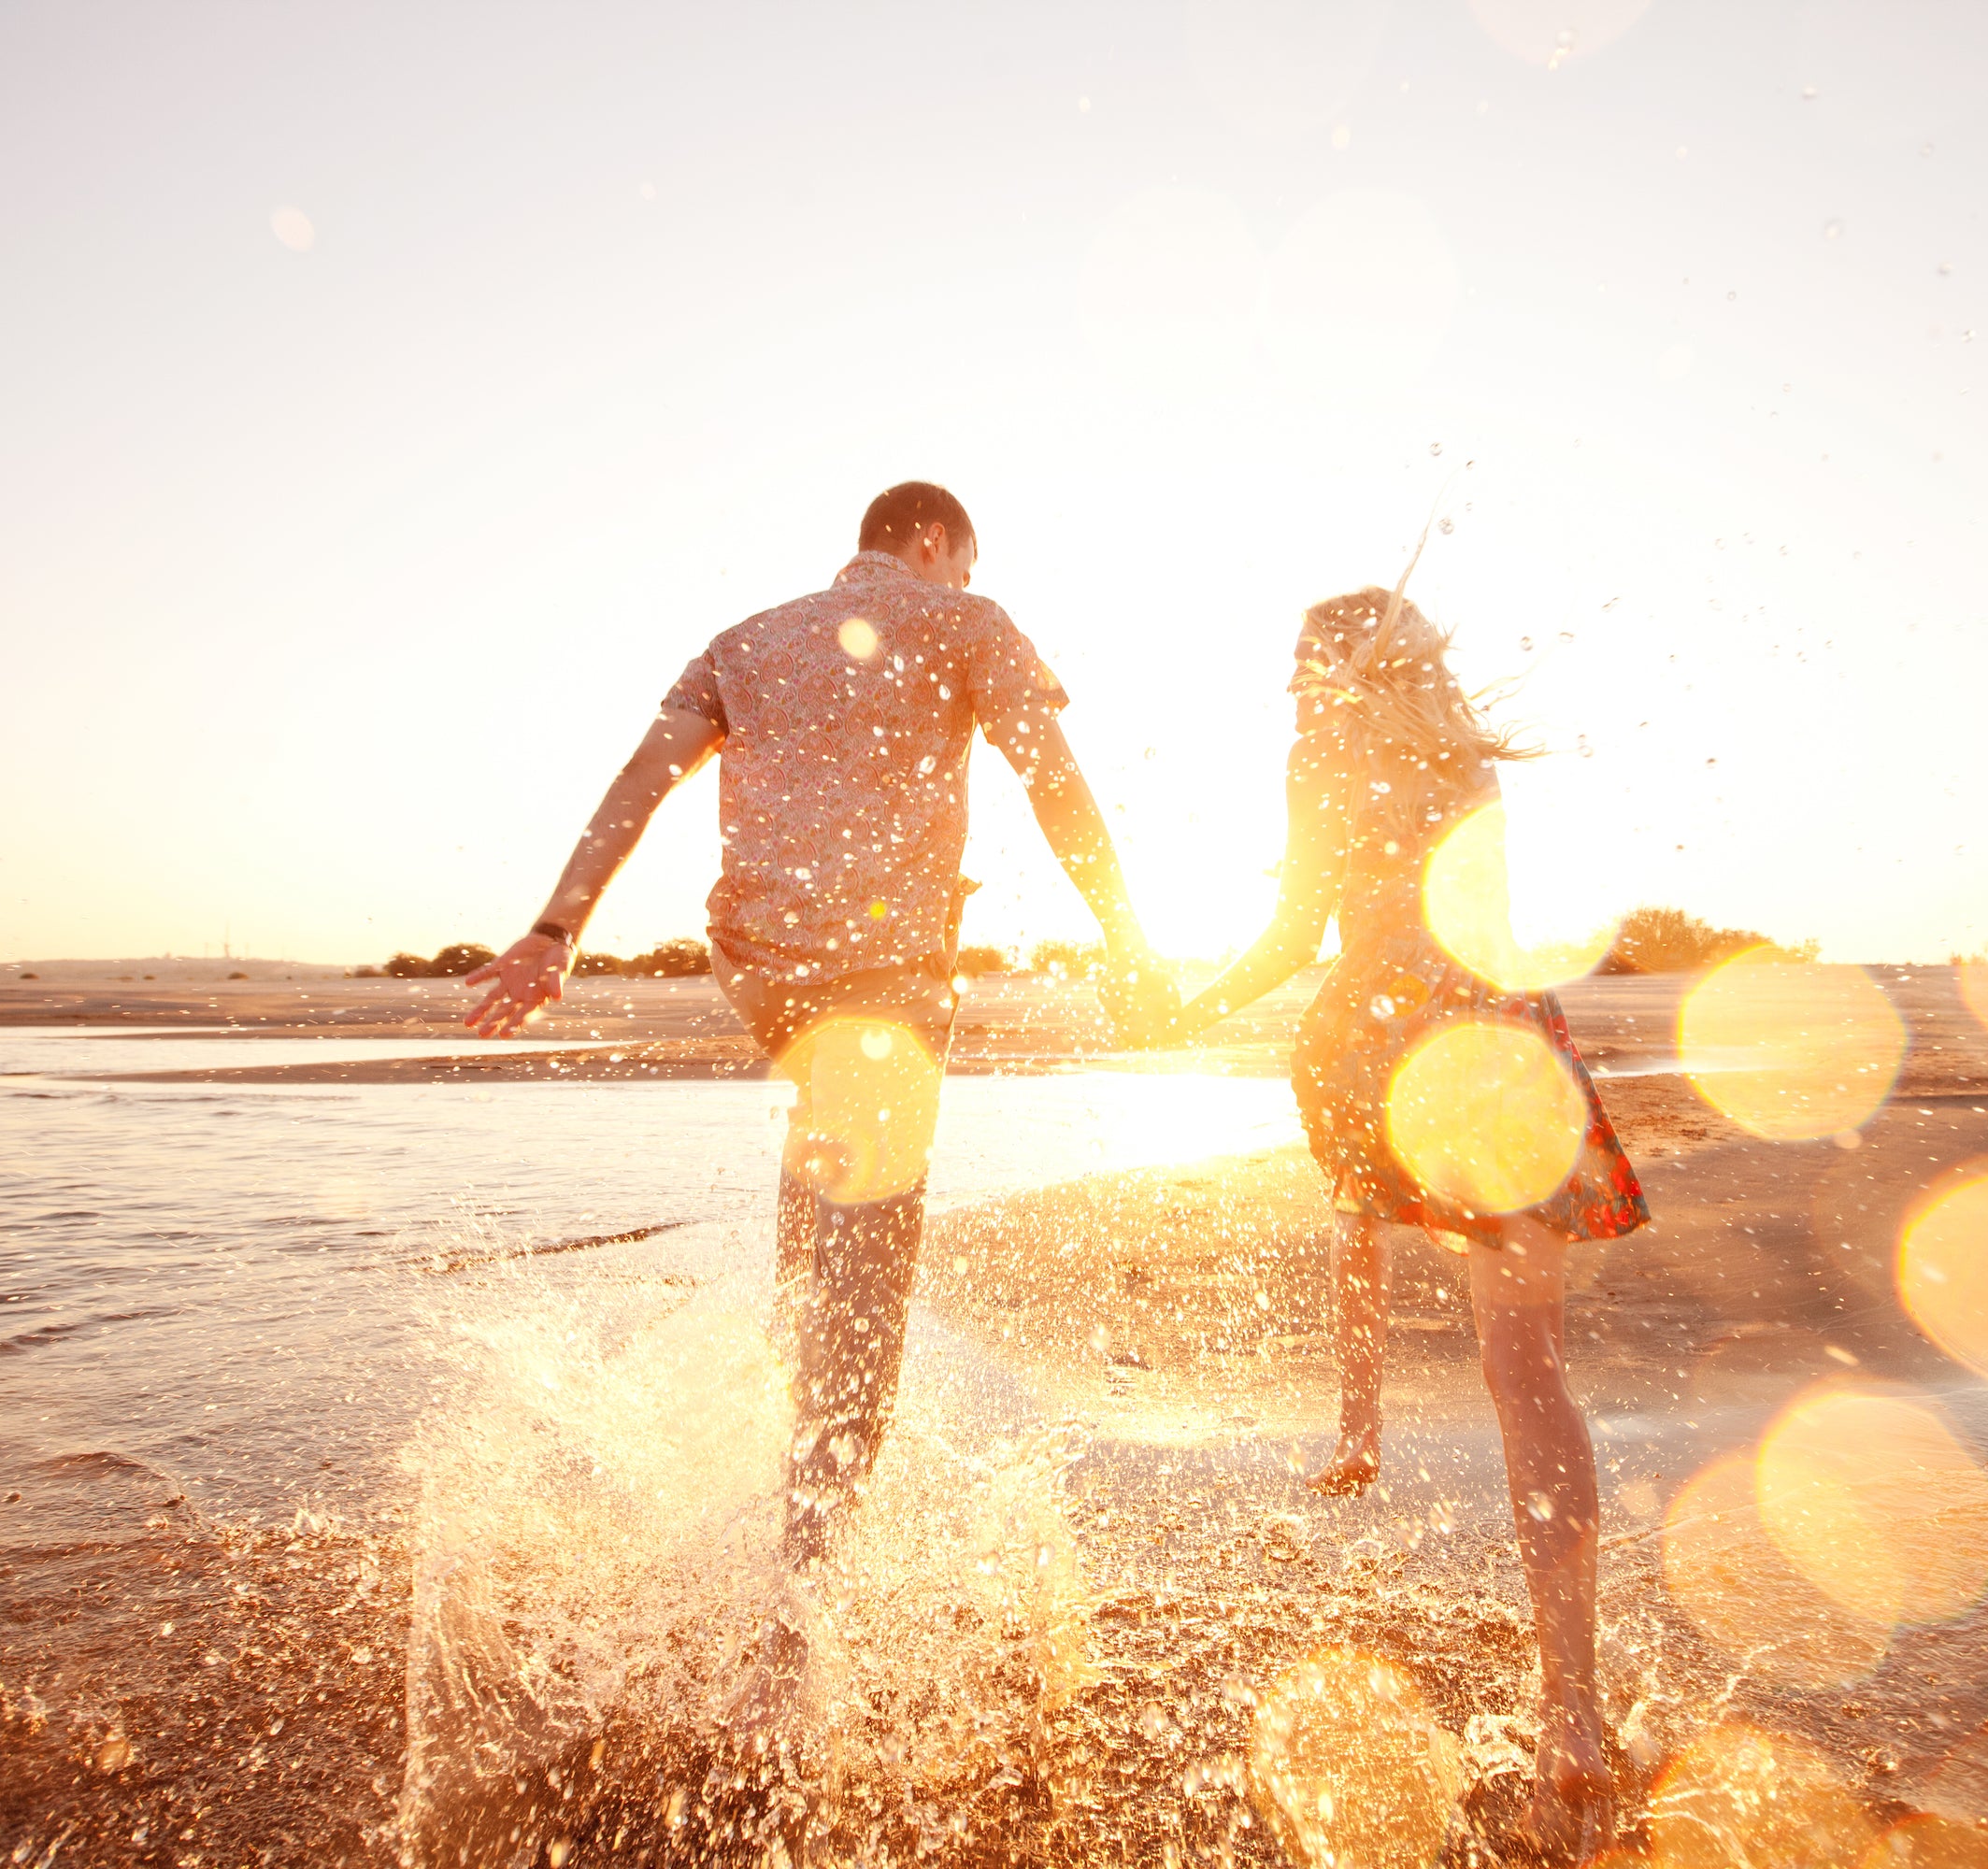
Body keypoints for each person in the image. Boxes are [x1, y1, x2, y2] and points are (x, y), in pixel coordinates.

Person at [460, 481, 1175, 1711]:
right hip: (883, 976)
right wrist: (1127, 935)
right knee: (870, 1293)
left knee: (821, 1205)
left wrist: (552, 932)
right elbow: (1049, 777)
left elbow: (641, 782)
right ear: (937, 543)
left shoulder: (744, 639)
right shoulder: (965, 618)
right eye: (957, 562)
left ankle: (764, 1490)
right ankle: (790, 1634)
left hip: (763, 970)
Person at [1159, 586, 1648, 1859]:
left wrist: (1193, 1005)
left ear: (1330, 667)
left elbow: (1292, 928)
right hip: (1497, 1037)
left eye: (1301, 663)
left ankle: (1358, 1421)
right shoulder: (1467, 759)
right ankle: (1575, 1711)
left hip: (1375, 1032)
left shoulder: (1317, 752)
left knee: (1358, 1204)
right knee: (1529, 1372)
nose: (1292, 685)